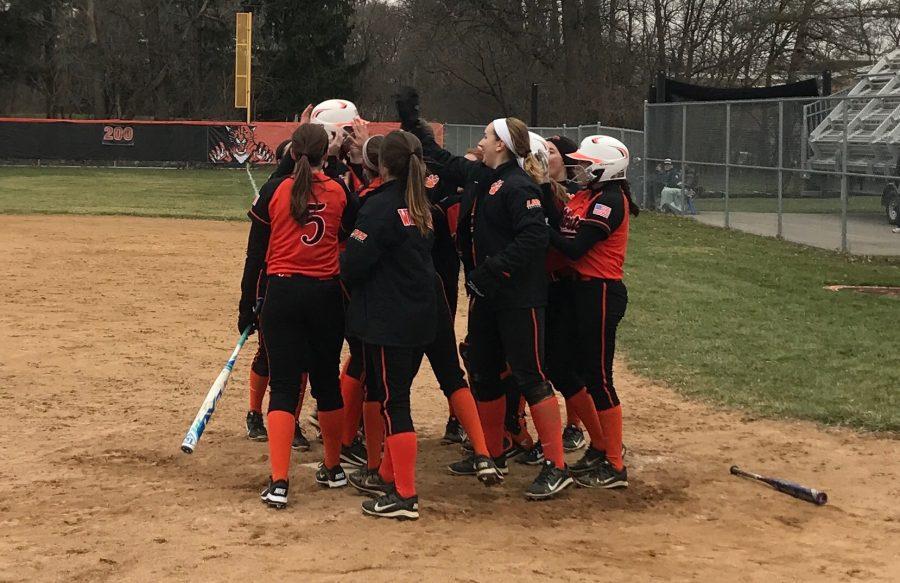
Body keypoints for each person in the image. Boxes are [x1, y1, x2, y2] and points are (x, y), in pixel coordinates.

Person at [240, 123, 358, 509]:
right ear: (327, 154)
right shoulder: (340, 191)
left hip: (283, 293)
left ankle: (279, 482)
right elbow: (353, 237)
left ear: (292, 153)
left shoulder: (275, 190)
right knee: (325, 381)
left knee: (286, 386)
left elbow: (255, 256)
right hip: (326, 295)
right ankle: (333, 468)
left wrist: (247, 305)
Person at [341, 130, 437, 520]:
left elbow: (353, 265)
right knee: (398, 398)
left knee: (394, 403)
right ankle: (393, 479)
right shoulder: (418, 204)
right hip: (419, 316)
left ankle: (405, 494)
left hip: (389, 319)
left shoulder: (380, 207)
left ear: (383, 165)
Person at [547, 135, 638, 489]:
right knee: (560, 365)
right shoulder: (588, 195)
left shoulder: (611, 200)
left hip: (600, 291)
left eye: (586, 164)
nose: (579, 168)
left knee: (598, 376)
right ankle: (600, 445)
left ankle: (614, 462)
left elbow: (575, 246)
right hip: (578, 291)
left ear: (605, 167)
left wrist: (537, 227)